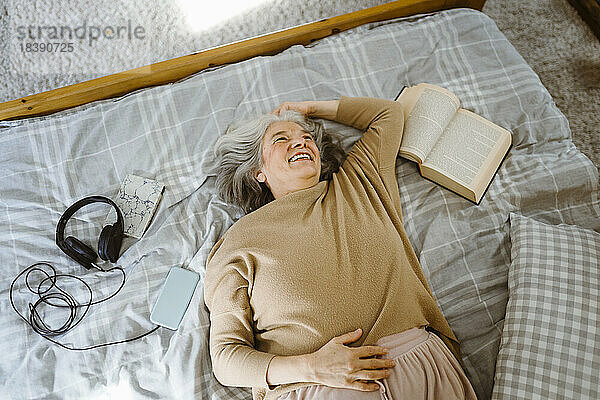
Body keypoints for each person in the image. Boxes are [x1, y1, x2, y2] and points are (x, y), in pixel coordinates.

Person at [204, 96, 478, 400]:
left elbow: (389, 114)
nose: (301, 142)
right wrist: (312, 367)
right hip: (320, 385)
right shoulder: (237, 242)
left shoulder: (360, 182)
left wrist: (308, 109)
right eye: (281, 139)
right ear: (259, 171)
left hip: (419, 365)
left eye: (307, 138)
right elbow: (227, 359)